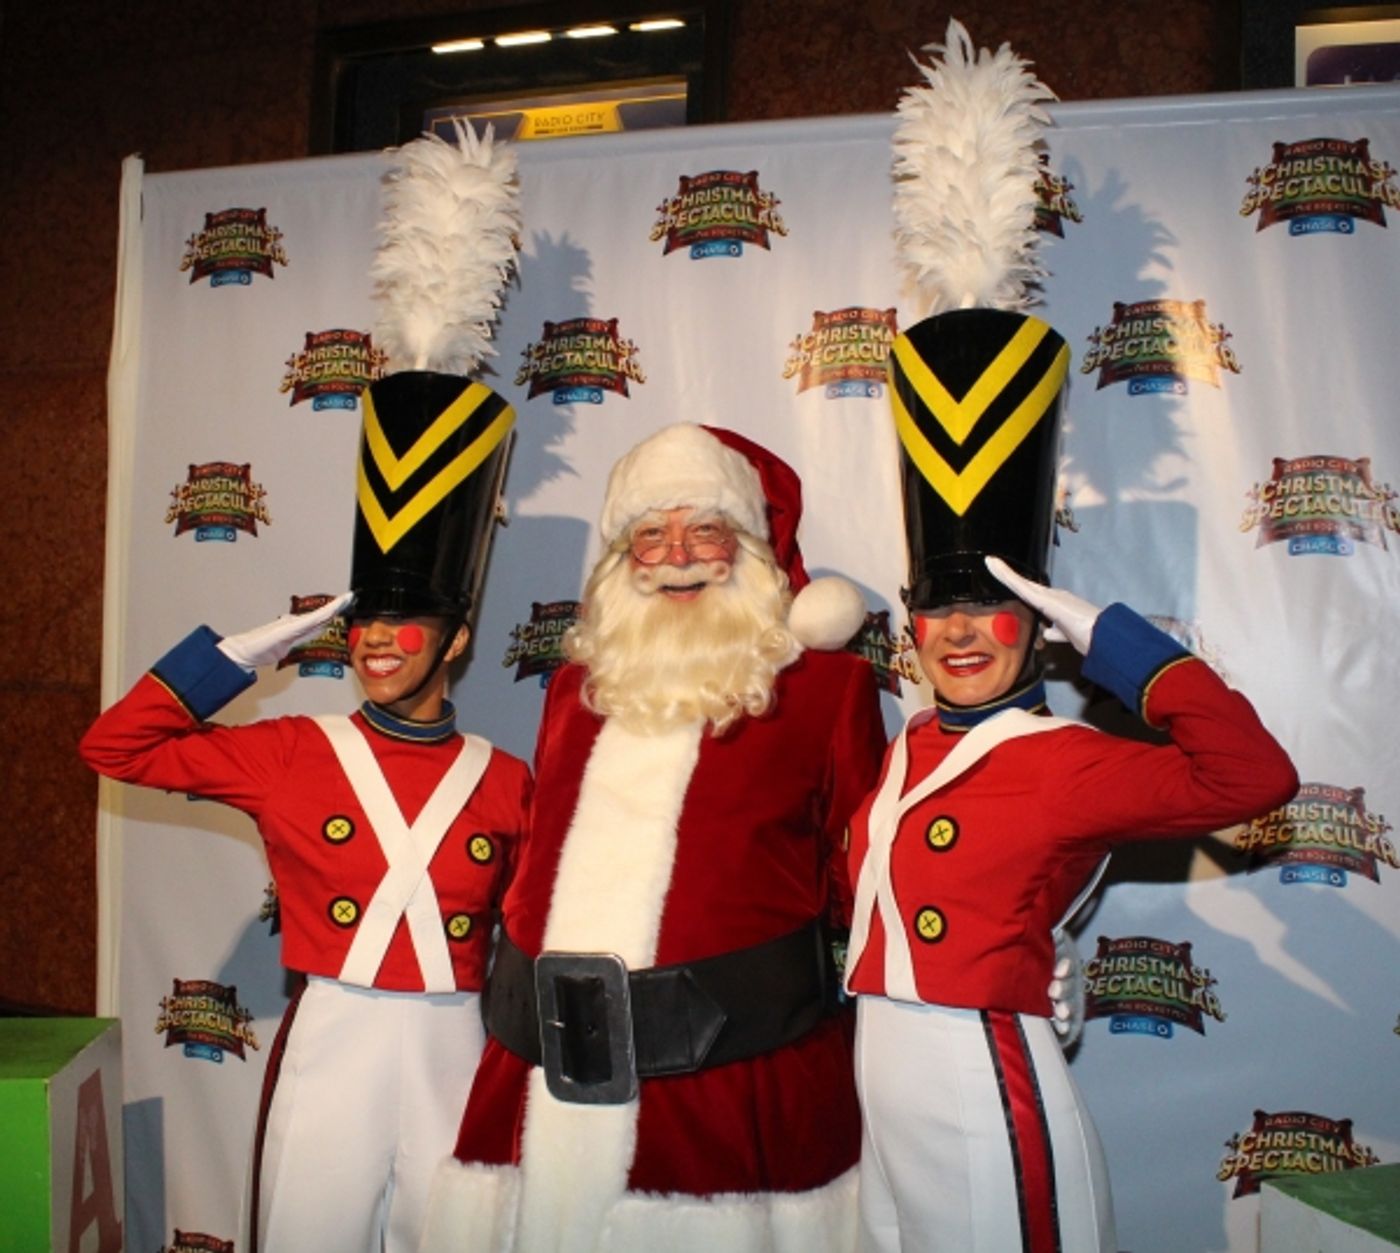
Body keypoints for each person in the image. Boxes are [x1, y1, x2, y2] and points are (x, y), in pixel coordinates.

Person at [843, 305, 1299, 1253]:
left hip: (979, 1073)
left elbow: (1253, 775)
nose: (962, 632)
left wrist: (1107, 635)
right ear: (911, 624)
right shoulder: (909, 741)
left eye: (995, 607)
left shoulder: (1065, 758)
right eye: (940, 608)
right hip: (878, 1077)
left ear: (1036, 620)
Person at [80, 370, 527, 1253]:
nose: (375, 640)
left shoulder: (508, 778)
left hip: (458, 1043)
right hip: (332, 1037)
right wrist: (245, 653)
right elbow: (114, 747)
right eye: (364, 621)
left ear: (458, 638)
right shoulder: (290, 749)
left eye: (405, 621)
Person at [421, 422, 887, 1253]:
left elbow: (866, 875)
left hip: (732, 1081)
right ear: (621, 560)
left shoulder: (826, 688)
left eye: (703, 528)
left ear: (747, 547)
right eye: (650, 533)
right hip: (541, 1076)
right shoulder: (573, 687)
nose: (677, 554)